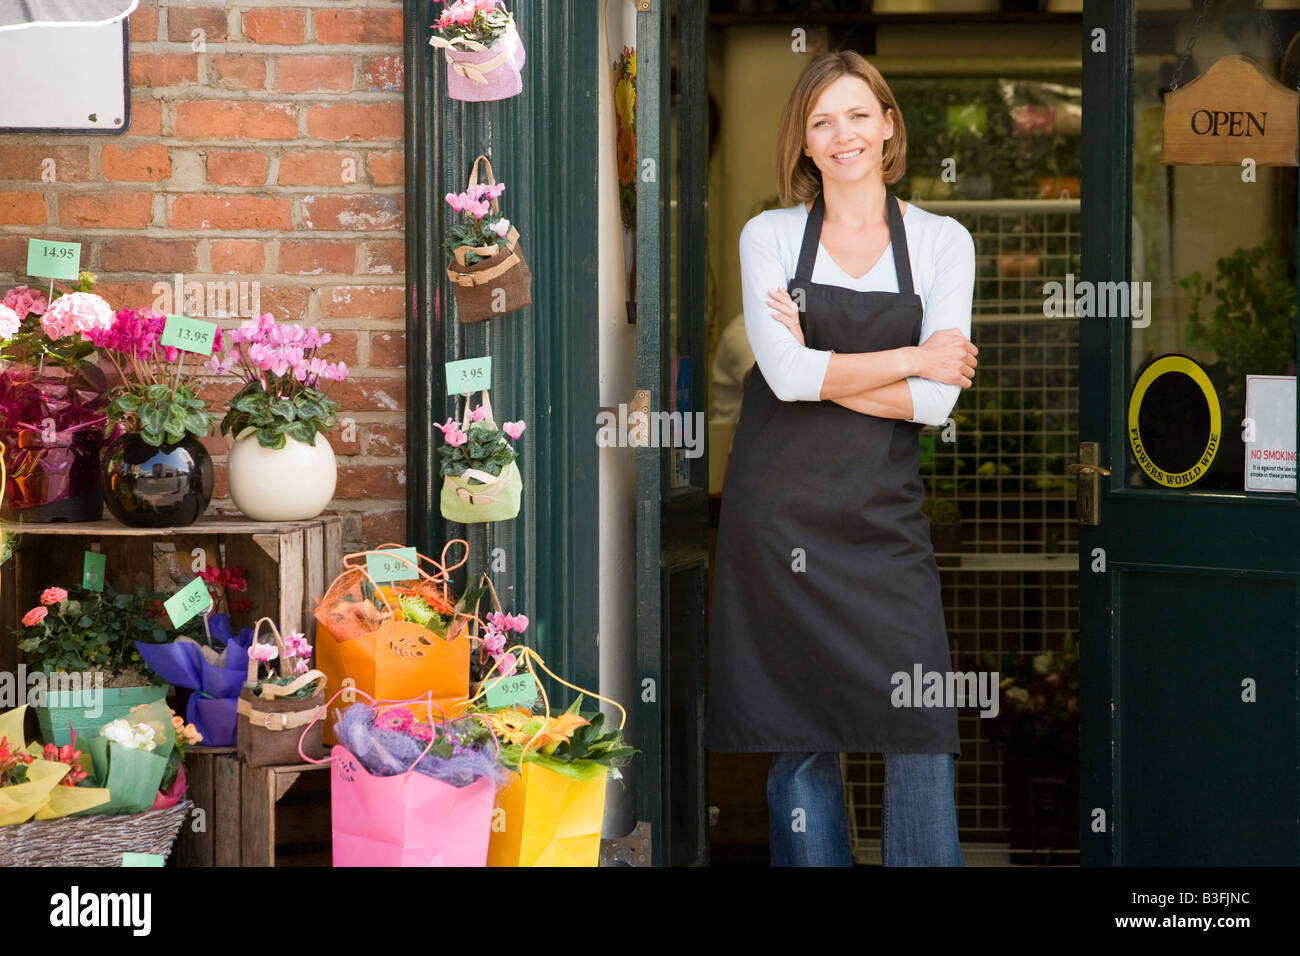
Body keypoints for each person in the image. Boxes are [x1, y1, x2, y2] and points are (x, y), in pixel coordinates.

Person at [701, 50, 979, 867]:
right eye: (823, 121)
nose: (843, 134)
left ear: (889, 125)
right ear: (805, 142)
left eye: (859, 115)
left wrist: (828, 368)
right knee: (800, 735)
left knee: (921, 729)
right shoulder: (771, 237)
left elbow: (935, 405)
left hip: (883, 526)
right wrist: (911, 357)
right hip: (779, 520)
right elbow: (783, 379)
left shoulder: (940, 241)